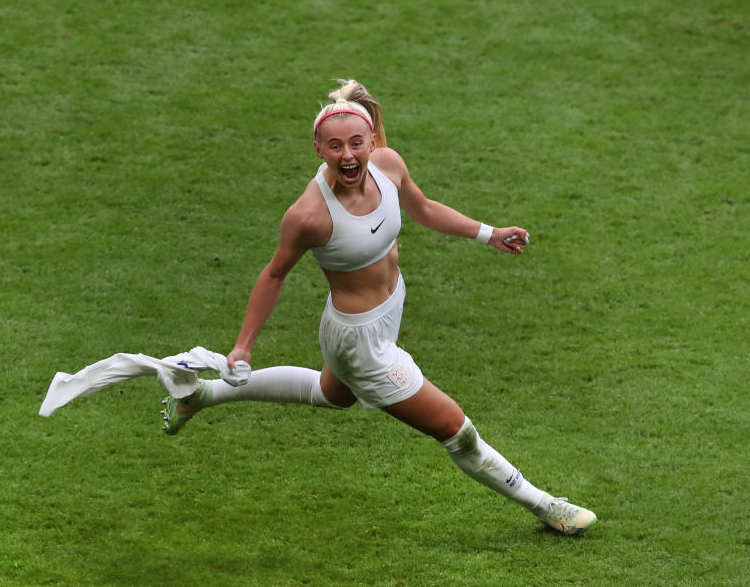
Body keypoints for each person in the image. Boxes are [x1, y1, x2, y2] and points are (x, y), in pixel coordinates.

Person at [162, 79, 597, 535]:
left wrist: (491, 234)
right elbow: (274, 274)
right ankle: (547, 507)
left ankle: (199, 396)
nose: (347, 155)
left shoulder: (388, 166)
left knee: (334, 395)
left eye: (355, 143)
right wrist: (242, 347)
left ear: (372, 141)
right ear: (317, 149)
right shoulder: (309, 216)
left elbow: (424, 209)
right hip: (359, 340)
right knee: (455, 428)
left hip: (387, 312)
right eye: (334, 147)